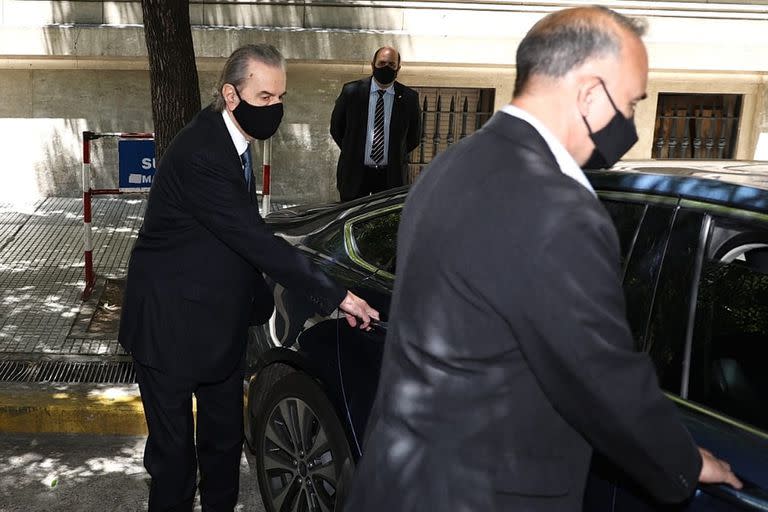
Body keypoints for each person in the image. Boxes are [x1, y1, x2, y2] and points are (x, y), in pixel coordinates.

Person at [343, 7, 741, 512]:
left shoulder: (453, 163)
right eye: (634, 102)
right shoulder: (558, 207)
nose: (633, 124)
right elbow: (598, 375)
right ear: (591, 93)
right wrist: (684, 461)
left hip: (397, 481)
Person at [117, 44, 377, 512]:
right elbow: (253, 238)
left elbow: (231, 239)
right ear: (230, 95)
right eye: (264, 98)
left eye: (280, 99)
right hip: (168, 324)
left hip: (219, 323)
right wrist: (335, 294)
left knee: (223, 446)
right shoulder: (203, 152)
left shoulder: (233, 140)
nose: (274, 109)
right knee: (175, 463)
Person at [330, 46, 421, 201]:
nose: (386, 67)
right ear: (373, 65)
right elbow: (336, 128)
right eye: (382, 63)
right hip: (355, 174)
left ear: (398, 68)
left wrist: (392, 154)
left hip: (390, 177)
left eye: (391, 65)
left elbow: (414, 138)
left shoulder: (409, 98)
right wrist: (352, 150)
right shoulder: (351, 92)